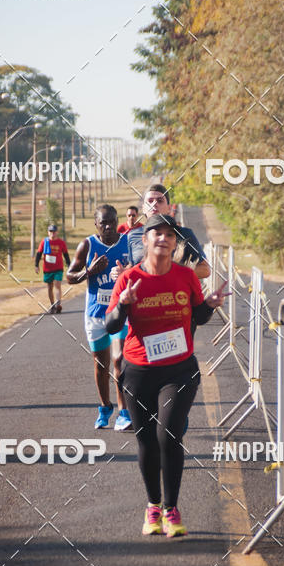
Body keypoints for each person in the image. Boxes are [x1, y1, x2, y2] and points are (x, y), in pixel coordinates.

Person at [105, 214, 228, 537]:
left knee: (168, 434)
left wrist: (211, 303)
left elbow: (198, 316)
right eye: (156, 233)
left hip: (179, 370)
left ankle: (172, 509)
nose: (163, 238)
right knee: (146, 440)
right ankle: (153, 506)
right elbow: (111, 326)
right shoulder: (129, 278)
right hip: (138, 372)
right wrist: (123, 304)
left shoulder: (186, 276)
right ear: (144, 240)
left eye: (170, 235)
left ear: (176, 243)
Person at [67, 204, 132, 431]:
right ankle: (105, 407)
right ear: (96, 224)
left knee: (120, 360)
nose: (107, 226)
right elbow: (69, 276)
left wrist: (127, 271)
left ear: (117, 221)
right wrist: (89, 271)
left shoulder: (128, 242)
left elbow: (141, 269)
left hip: (121, 313)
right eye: (102, 222)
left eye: (111, 221)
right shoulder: (87, 245)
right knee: (101, 365)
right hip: (95, 314)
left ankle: (124, 412)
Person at [111, 184, 211, 281]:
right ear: (144, 208)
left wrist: (174, 273)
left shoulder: (184, 234)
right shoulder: (132, 235)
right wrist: (123, 271)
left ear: (168, 208)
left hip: (174, 295)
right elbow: (133, 265)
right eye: (150, 201)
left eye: (160, 201)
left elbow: (205, 270)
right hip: (144, 295)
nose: (154, 204)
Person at [35, 224, 70, 314]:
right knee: (49, 287)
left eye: (54, 232)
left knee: (57, 285)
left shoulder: (61, 242)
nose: (52, 233)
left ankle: (58, 304)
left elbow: (65, 254)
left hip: (58, 268)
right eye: (50, 231)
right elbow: (39, 254)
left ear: (57, 232)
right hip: (47, 268)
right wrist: (36, 265)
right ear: (48, 232)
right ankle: (52, 305)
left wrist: (69, 265)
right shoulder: (45, 242)